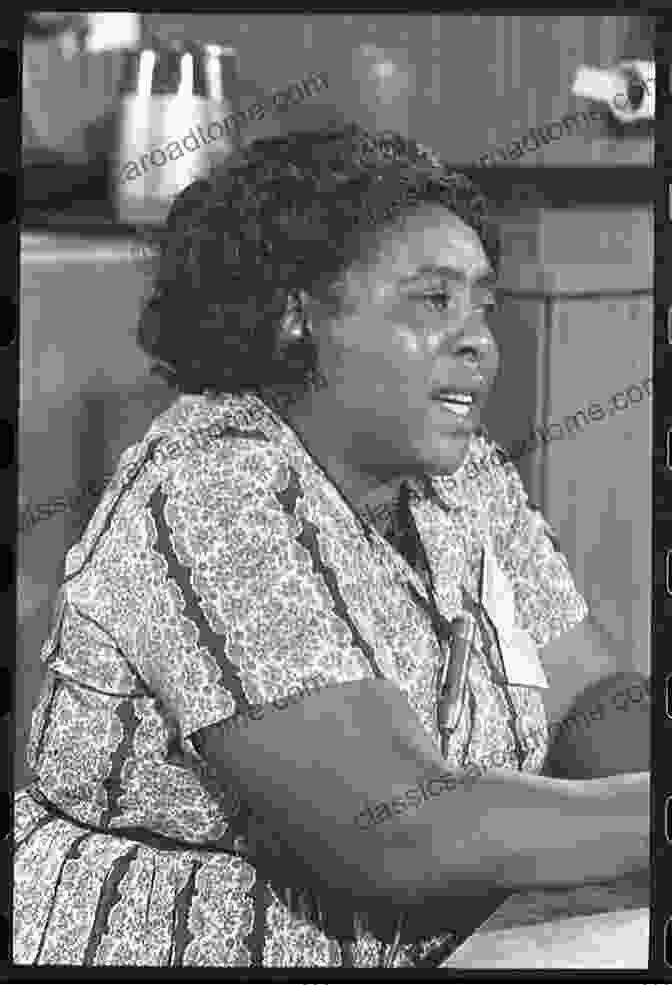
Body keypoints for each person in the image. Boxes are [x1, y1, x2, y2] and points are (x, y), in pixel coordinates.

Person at [12, 123, 649, 968]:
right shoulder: (212, 489)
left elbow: (590, 696)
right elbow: (397, 825)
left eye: (481, 306)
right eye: (433, 301)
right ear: (296, 315)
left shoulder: (462, 480)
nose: (479, 341)